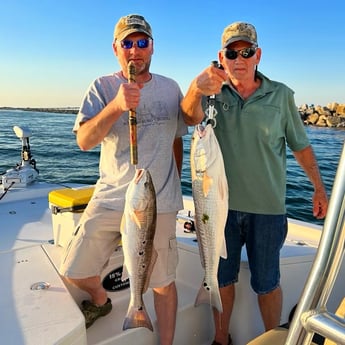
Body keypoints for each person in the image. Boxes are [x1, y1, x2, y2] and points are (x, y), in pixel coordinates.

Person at [181, 21, 328, 345]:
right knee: (222, 279)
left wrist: (319, 188)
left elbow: (301, 146)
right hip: (219, 210)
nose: (239, 58)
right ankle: (221, 339)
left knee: (267, 283)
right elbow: (189, 118)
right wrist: (195, 86)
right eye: (232, 52)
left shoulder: (281, 95)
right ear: (222, 56)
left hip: (268, 209)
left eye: (246, 51)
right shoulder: (210, 93)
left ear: (257, 54)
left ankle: (271, 338)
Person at [59, 14, 188, 345]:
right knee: (73, 270)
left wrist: (172, 186)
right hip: (112, 196)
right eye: (127, 44)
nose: (135, 51)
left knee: (163, 281)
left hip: (157, 201)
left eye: (142, 43)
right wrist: (116, 105)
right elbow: (85, 140)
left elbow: (176, 139)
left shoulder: (170, 88)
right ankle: (101, 300)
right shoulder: (101, 86)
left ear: (152, 47)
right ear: (116, 48)